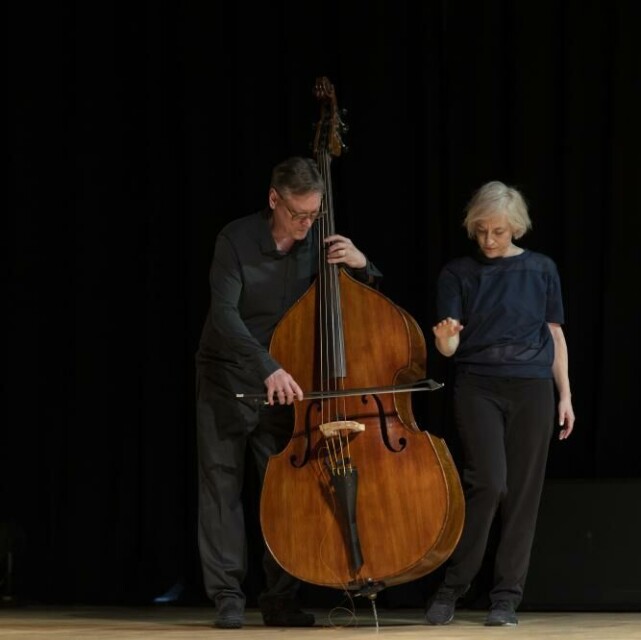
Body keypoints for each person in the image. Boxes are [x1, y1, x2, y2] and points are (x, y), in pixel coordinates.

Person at [195, 156, 382, 629]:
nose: (306, 224)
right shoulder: (235, 240)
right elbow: (224, 317)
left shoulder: (320, 240)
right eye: (298, 214)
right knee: (222, 490)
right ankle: (227, 598)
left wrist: (363, 267)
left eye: (313, 214)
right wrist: (267, 367)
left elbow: (361, 304)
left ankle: (278, 599)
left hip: (288, 386)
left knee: (284, 494)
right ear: (274, 200)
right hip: (229, 377)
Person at [424, 180, 575, 627]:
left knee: (523, 496)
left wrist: (565, 395)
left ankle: (506, 598)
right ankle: (452, 589)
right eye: (482, 231)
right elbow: (449, 350)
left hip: (532, 388)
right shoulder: (457, 273)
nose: (489, 240)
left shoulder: (542, 269)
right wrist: (445, 339)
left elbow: (555, 335)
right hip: (478, 386)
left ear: (516, 229)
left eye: (499, 232)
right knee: (488, 484)